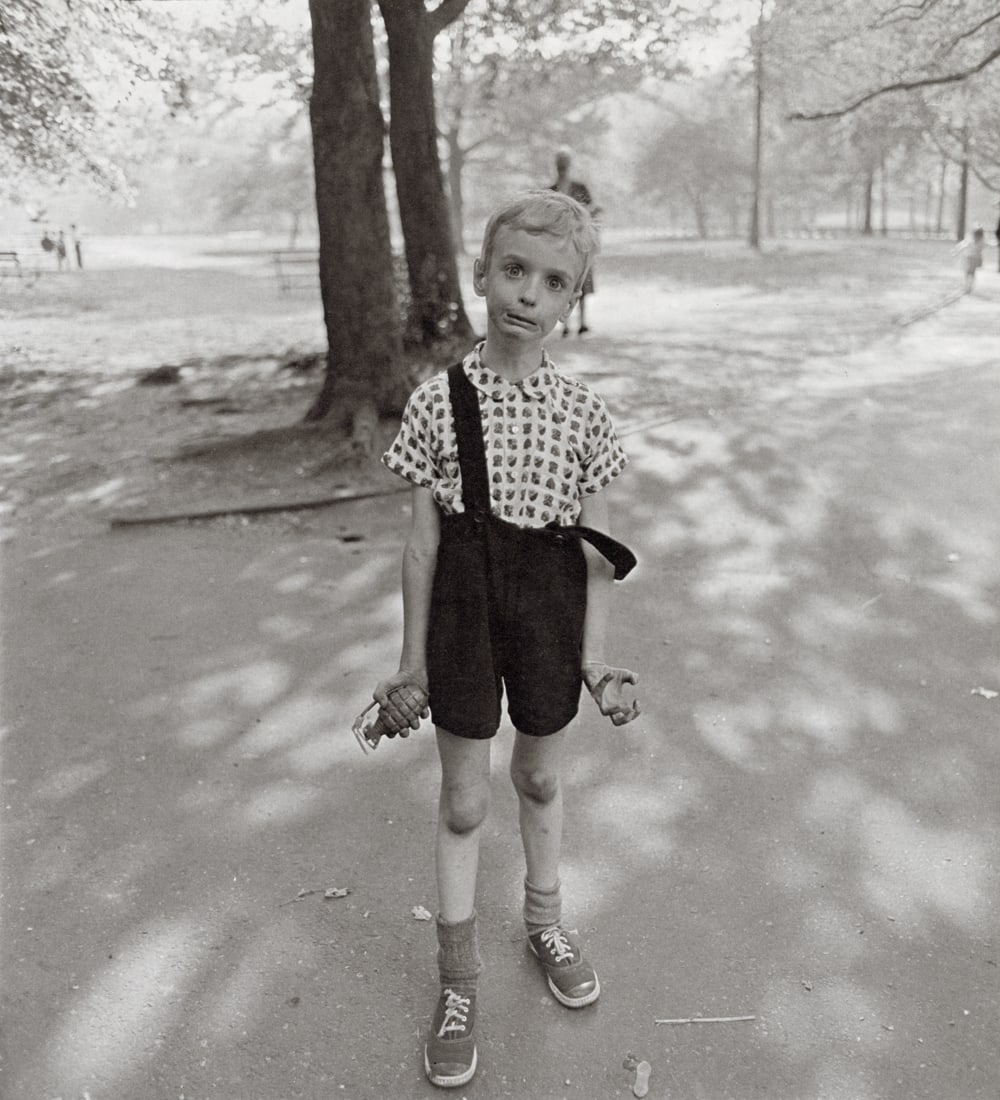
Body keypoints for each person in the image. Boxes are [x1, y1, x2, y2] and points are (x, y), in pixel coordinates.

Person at [356, 189, 640, 1089]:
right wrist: (411, 661)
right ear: (483, 273)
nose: (528, 293)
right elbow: (420, 545)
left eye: (554, 281)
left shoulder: (587, 418)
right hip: (464, 615)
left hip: (551, 613)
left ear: (573, 301)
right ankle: (457, 979)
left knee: (541, 776)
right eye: (513, 270)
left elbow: (597, 555)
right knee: (465, 801)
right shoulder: (437, 403)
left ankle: (545, 919)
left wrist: (595, 661)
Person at [548, 149, 600, 336]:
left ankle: (582, 322)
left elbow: (592, 210)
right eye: (559, 163)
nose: (562, 167)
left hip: (579, 242)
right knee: (562, 283)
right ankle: (565, 325)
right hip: (560, 245)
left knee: (582, 283)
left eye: (564, 163)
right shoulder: (551, 191)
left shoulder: (580, 188)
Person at [955, 225, 986, 292]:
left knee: (969, 273)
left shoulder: (973, 241)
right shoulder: (976, 241)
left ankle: (968, 286)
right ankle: (969, 286)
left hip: (971, 259)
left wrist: (957, 250)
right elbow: (962, 245)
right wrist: (958, 249)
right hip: (971, 259)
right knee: (971, 273)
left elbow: (962, 245)